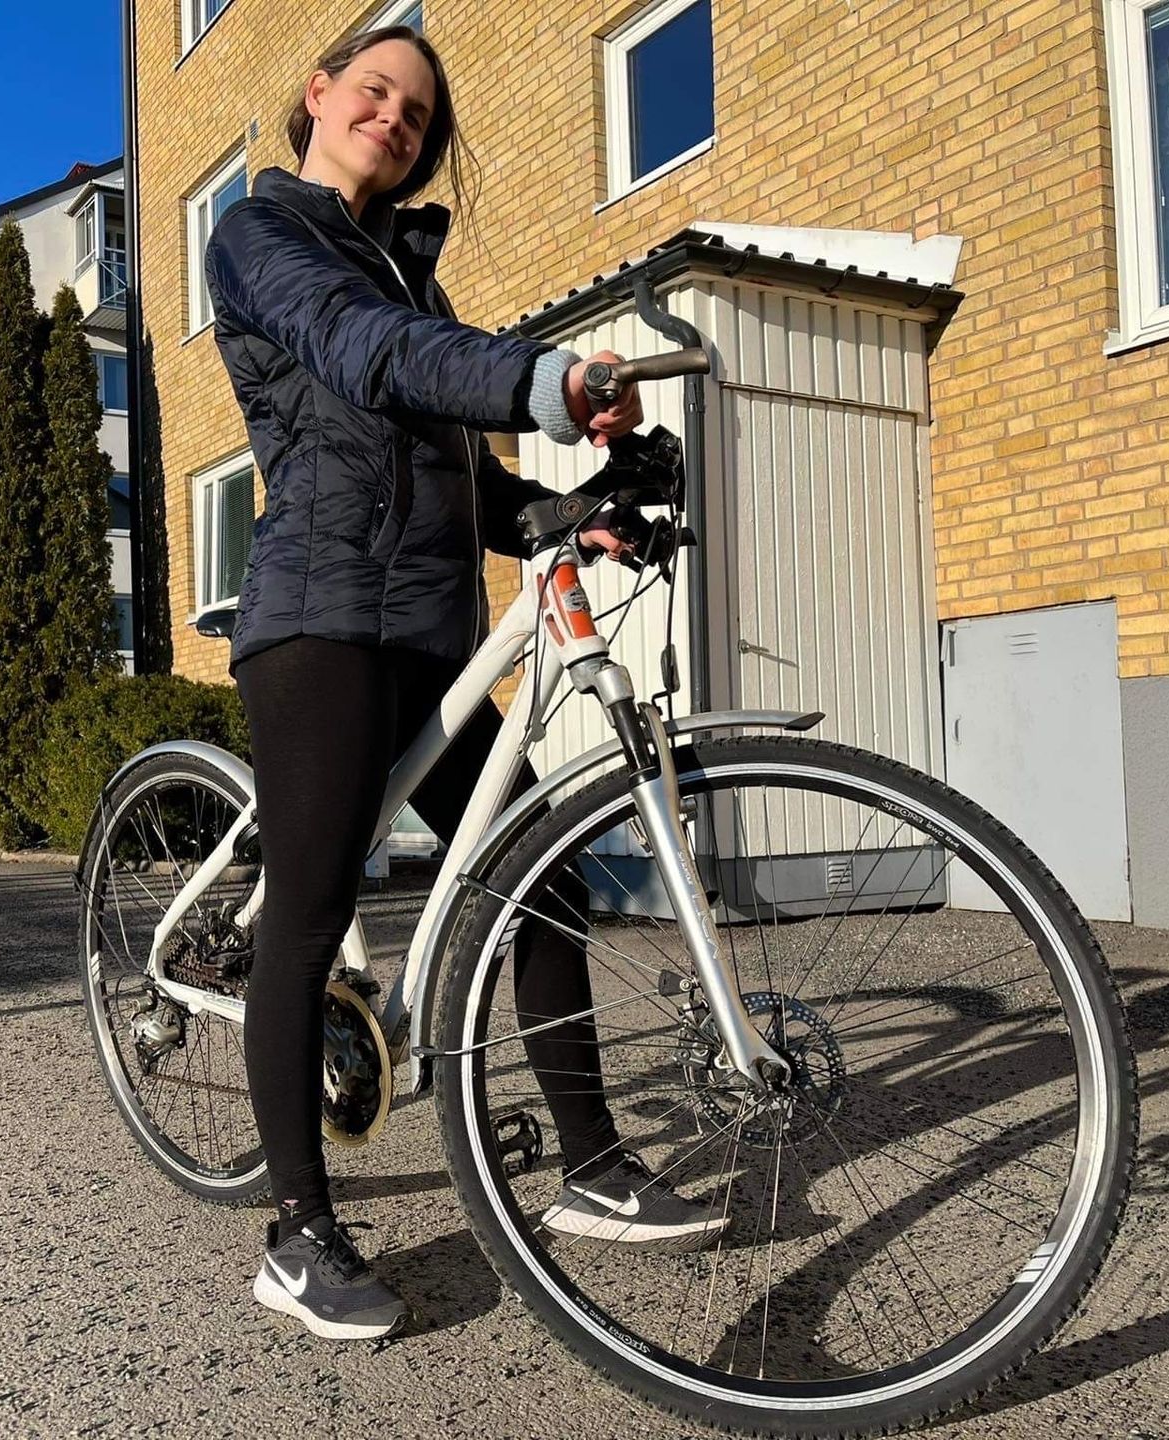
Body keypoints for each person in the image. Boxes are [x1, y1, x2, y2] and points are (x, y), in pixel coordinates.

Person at [202, 26, 727, 1343]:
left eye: (418, 110)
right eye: (373, 90)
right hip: (319, 620)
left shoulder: (412, 282)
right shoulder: (265, 242)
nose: (395, 115)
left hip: (428, 631)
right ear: (318, 96)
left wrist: (571, 514)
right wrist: (540, 378)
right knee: (313, 905)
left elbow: (464, 480)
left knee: (535, 881)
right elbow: (366, 353)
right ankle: (298, 1232)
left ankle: (594, 1166)